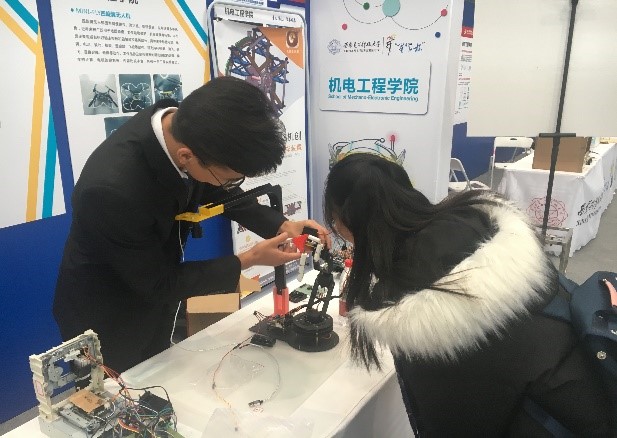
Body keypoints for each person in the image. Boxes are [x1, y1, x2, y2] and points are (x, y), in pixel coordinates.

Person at [323, 153, 613, 437]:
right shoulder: (475, 221)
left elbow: (451, 421)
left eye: (335, 221)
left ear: (351, 220)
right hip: (594, 389)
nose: (336, 229)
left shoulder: (419, 314)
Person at [54, 76, 328, 373]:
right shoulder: (112, 190)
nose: (231, 184)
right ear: (186, 156)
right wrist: (248, 259)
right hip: (108, 317)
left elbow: (218, 188)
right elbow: (158, 283)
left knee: (158, 372)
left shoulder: (189, 130)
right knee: (119, 394)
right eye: (232, 178)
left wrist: (281, 225)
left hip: (156, 296)